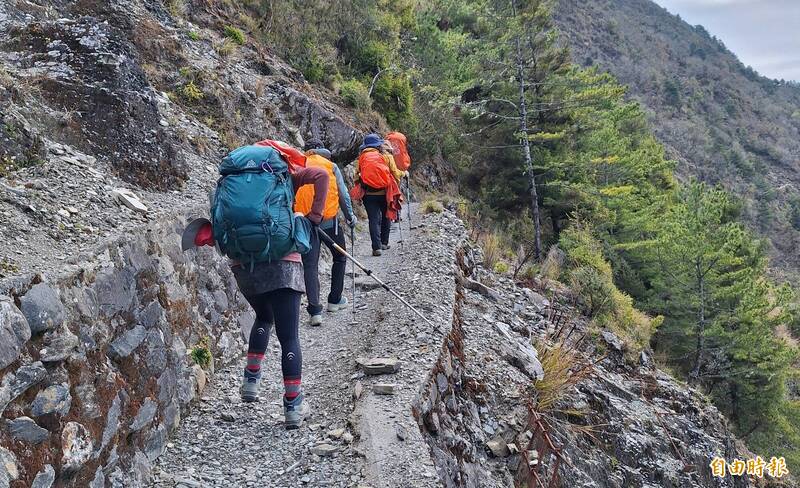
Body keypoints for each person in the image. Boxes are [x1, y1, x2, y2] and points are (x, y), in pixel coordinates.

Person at [231, 143, 329, 429]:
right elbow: (322, 177)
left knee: (263, 316)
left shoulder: (235, 176)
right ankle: (292, 406)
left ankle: (250, 382)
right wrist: (314, 217)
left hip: (244, 264)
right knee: (289, 337)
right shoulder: (285, 172)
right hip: (284, 262)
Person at [294, 139, 357, 326]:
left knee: (310, 266)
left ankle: (315, 312)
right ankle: (335, 299)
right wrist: (350, 217)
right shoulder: (330, 166)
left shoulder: (297, 165)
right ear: (323, 151)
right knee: (340, 257)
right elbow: (343, 194)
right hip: (329, 222)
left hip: (304, 224)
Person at [353, 133, 406, 256]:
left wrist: (361, 189)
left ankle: (376, 247)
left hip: (368, 194)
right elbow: (395, 173)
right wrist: (403, 175)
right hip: (384, 192)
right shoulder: (386, 156)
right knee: (386, 215)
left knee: (373, 219)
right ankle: (384, 242)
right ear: (378, 145)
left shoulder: (361, 158)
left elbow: (356, 176)